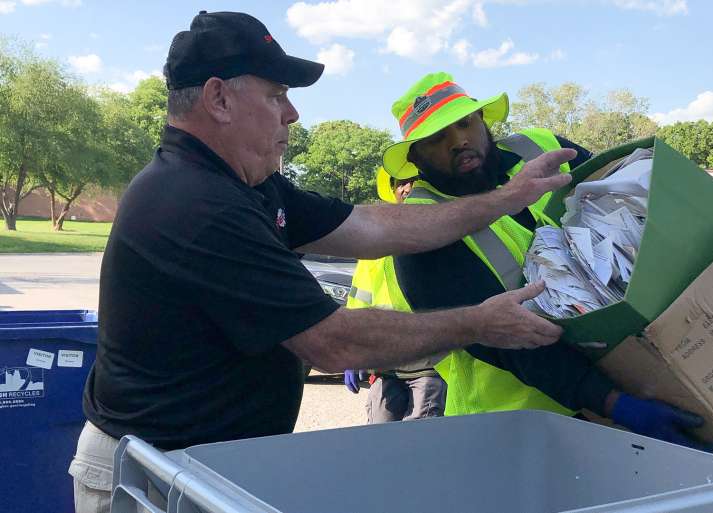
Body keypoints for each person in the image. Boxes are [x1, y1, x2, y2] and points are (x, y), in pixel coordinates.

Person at [69, 12, 575, 513]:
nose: (292, 113)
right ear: (219, 98)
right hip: (153, 475)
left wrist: (506, 198)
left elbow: (370, 226)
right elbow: (334, 342)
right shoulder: (195, 204)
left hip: (204, 466)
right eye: (277, 95)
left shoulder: (248, 185)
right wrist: (480, 322)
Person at [378, 72, 713, 451]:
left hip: (625, 387)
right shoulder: (418, 229)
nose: (459, 140)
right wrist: (616, 403)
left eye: (465, 123)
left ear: (483, 121)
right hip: (511, 426)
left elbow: (629, 200)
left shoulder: (539, 149)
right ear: (415, 158)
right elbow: (502, 338)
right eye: (437, 138)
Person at [343, 169, 447, 423]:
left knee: (419, 447)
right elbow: (359, 299)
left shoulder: (444, 234)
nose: (406, 188)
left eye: (414, 181)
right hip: (385, 366)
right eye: (400, 183)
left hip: (431, 367)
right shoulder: (373, 238)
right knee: (377, 445)